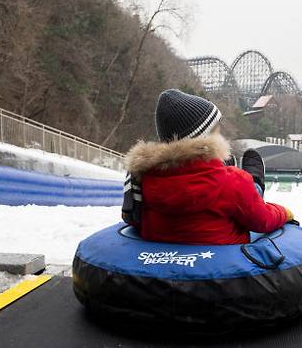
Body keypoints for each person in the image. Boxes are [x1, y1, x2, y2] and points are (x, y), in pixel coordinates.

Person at [121, 89, 293, 245]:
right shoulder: (231, 182)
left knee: (237, 186)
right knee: (248, 188)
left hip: (161, 270)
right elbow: (262, 220)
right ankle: (256, 183)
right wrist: (284, 213)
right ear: (206, 138)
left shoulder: (142, 180)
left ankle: (248, 183)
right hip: (225, 269)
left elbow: (133, 219)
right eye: (217, 132)